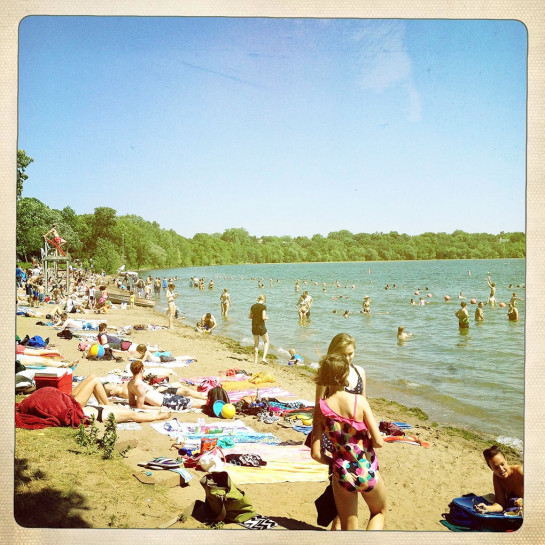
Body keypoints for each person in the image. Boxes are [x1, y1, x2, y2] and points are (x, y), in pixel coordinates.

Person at [311, 352, 386, 530]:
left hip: (341, 472)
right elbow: (379, 442)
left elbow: (316, 454)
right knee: (378, 512)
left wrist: (335, 463)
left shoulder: (320, 409)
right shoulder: (359, 401)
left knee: (348, 527)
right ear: (344, 375)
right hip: (366, 467)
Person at [126, 360, 200, 410]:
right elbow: (140, 406)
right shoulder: (140, 386)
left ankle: (210, 402)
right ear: (141, 369)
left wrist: (146, 400)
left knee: (191, 399)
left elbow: (132, 402)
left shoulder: (130, 384)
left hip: (166, 399)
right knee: (193, 403)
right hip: (166, 403)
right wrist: (159, 408)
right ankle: (210, 405)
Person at [474, 445, 523, 514]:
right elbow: (500, 503)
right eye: (496, 467)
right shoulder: (497, 477)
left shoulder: (520, 471)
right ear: (490, 468)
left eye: (502, 464)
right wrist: (487, 508)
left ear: (506, 459)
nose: (501, 469)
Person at [249, 294, 269, 365]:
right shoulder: (263, 307)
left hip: (254, 326)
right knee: (266, 342)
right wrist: (267, 317)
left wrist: (255, 317)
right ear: (263, 300)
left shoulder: (253, 306)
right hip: (261, 326)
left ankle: (255, 360)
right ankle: (263, 358)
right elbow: (263, 317)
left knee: (256, 343)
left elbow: (249, 316)